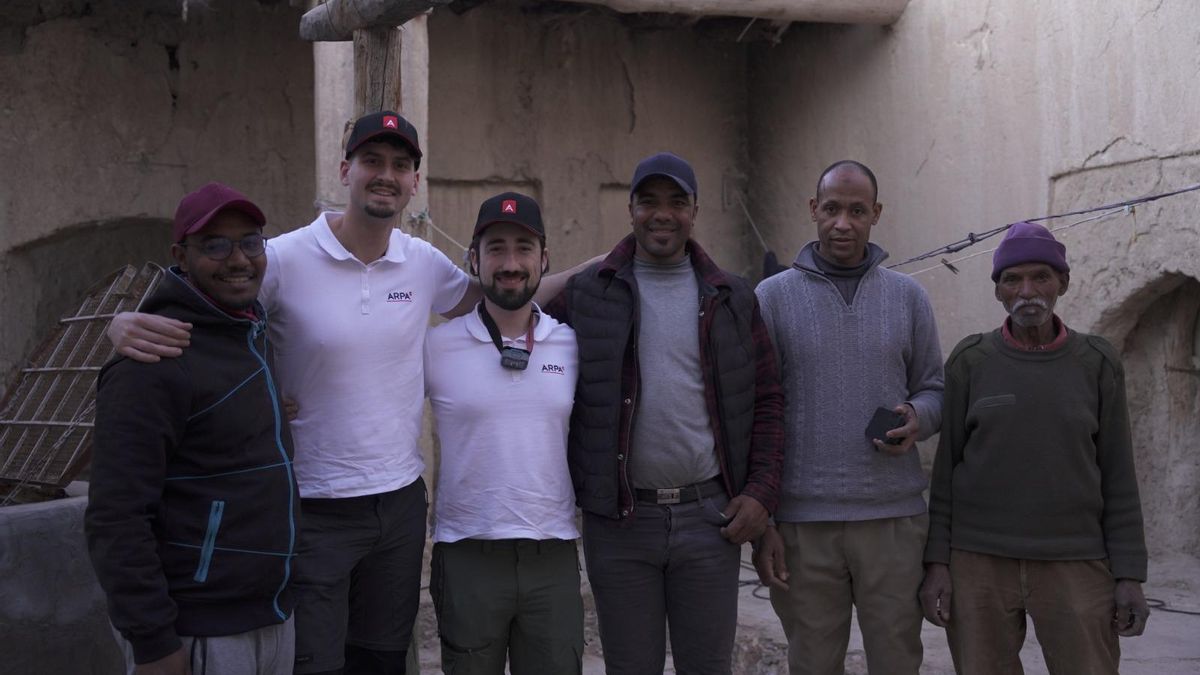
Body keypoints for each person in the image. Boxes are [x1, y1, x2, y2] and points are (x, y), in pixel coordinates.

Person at [106, 111, 588, 675]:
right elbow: (210, 302)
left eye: (401, 166)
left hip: (399, 505)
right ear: (345, 170)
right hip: (311, 506)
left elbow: (505, 296)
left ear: (414, 183)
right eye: (372, 162)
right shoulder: (281, 258)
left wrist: (600, 268)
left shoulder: (423, 263)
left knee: (382, 660)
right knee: (315, 662)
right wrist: (121, 322)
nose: (386, 175)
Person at [544, 151, 785, 674]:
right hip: (621, 524)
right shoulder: (588, 296)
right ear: (630, 208)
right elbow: (522, 333)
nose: (662, 214)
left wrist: (761, 494)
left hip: (710, 520)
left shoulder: (731, 298)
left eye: (676, 202)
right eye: (649, 201)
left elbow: (766, 400)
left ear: (693, 211)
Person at [86, 182, 298, 675]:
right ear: (181, 255)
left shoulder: (247, 330)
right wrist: (153, 642)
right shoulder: (153, 360)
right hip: (199, 627)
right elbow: (116, 516)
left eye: (250, 241)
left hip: (269, 614)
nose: (238, 259)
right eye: (216, 245)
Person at [920, 221, 1149, 674]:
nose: (1028, 290)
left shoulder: (1096, 362)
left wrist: (1129, 575)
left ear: (1062, 282)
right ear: (999, 291)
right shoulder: (972, 361)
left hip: (1076, 562)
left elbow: (1119, 472)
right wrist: (937, 564)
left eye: (1041, 276)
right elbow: (945, 474)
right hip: (978, 563)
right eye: (1013, 279)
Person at [752, 160, 944, 675]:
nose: (843, 223)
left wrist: (917, 418)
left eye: (857, 211)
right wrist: (765, 518)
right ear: (814, 210)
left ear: (875, 214)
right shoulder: (771, 299)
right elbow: (754, 412)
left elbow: (934, 388)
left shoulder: (908, 297)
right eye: (832, 209)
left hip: (893, 520)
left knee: (898, 658)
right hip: (801, 524)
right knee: (813, 661)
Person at [423, 192, 583, 674]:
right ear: (473, 258)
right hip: (467, 552)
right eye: (495, 248)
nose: (510, 263)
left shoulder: (572, 344)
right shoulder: (436, 346)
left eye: (523, 248)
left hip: (551, 553)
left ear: (544, 258)